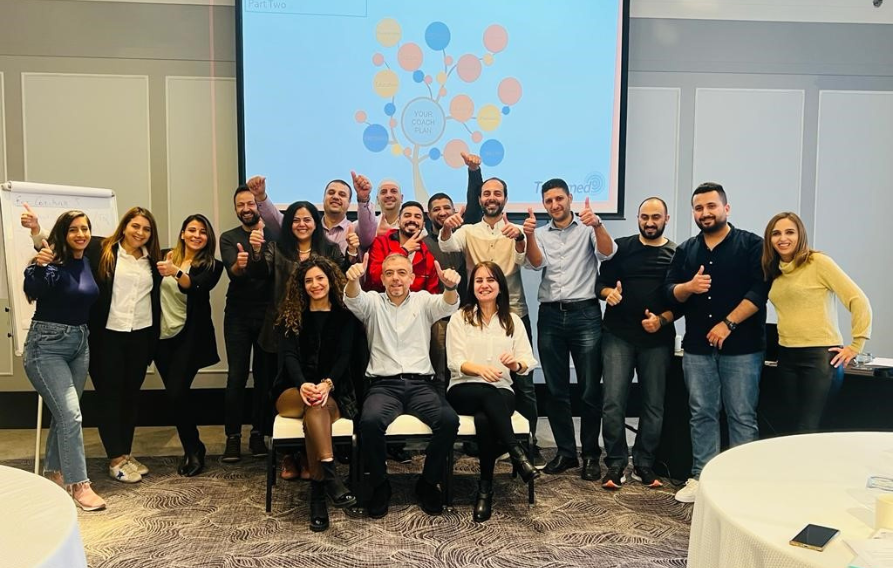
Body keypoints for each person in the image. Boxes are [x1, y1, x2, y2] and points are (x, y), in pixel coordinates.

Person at [24, 205, 163, 484]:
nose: (140, 232)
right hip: (107, 336)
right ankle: (115, 459)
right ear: (124, 226)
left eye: (146, 229)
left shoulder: (153, 261)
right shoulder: (101, 248)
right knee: (110, 397)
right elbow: (62, 242)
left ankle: (126, 453)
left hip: (140, 335)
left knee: (130, 397)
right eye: (135, 226)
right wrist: (37, 232)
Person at [664, 182, 768, 503]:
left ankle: (743, 482)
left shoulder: (752, 245)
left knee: (741, 415)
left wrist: (728, 324)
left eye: (711, 206)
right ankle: (702, 478)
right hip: (697, 347)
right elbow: (669, 291)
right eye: (699, 208)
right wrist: (688, 287)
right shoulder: (686, 250)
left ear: (726, 208)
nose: (705, 213)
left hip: (742, 347)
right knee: (702, 413)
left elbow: (760, 291)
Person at [344, 253, 461, 518]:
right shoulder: (373, 302)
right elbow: (353, 298)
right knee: (369, 422)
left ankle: (427, 482)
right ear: (381, 278)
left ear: (411, 277)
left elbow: (448, 305)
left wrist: (450, 287)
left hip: (421, 386)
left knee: (449, 421)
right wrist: (353, 280)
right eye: (389, 273)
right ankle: (380, 485)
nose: (395, 278)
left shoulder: (423, 301)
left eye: (401, 273)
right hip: (383, 386)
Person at [439, 174, 544, 467]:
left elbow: (528, 262)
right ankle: (497, 443)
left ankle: (529, 443)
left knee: (524, 386)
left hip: (513, 312)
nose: (491, 198)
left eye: (497, 193)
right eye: (486, 193)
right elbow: (447, 245)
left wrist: (521, 238)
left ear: (505, 199)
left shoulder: (516, 230)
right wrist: (447, 228)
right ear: (480, 199)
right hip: (476, 313)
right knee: (480, 378)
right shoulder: (469, 231)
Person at [247, 200, 352, 479]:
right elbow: (258, 275)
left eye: (307, 219)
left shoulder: (329, 250)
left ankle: (308, 458)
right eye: (295, 219)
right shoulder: (276, 248)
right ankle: (289, 456)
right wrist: (255, 252)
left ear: (316, 224)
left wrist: (353, 254)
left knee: (313, 398)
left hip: (318, 333)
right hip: (280, 330)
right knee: (282, 384)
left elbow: (342, 278)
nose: (301, 224)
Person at [523, 179, 617, 479]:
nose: (555, 205)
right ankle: (566, 453)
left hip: (585, 314)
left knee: (589, 389)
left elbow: (608, 253)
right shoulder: (540, 233)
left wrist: (598, 224)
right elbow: (536, 263)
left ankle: (590, 454)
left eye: (559, 199)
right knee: (555, 390)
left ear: (570, 198)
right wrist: (529, 236)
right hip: (550, 315)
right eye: (549, 201)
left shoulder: (588, 228)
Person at [22, 210, 105, 510]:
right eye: (73, 230)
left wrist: (37, 233)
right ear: (63, 234)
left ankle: (53, 473)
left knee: (64, 414)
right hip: (46, 346)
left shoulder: (86, 259)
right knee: (71, 415)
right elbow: (33, 289)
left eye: (85, 229)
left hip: (80, 343)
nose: (80, 234)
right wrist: (39, 263)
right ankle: (79, 484)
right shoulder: (50, 262)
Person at [446, 261, 540, 522]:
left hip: (501, 391)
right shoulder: (460, 318)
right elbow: (454, 361)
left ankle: (485, 489)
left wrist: (515, 365)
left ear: (500, 286)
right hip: (463, 389)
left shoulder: (513, 321)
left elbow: (527, 361)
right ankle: (516, 451)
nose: (484, 285)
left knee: (486, 418)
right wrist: (479, 370)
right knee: (488, 394)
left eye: (490, 280)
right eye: (479, 280)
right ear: (472, 286)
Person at [762, 212, 872, 434]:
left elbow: (859, 300)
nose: (783, 238)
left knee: (808, 428)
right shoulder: (775, 270)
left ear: (800, 235)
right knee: (788, 427)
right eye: (776, 233)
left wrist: (856, 345)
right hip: (787, 356)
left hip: (820, 358)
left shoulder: (818, 262)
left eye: (790, 232)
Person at [273, 257, 360, 532]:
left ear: (330, 280)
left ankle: (319, 494)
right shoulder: (292, 316)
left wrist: (327, 384)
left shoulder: (345, 316)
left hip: (329, 393)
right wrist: (302, 384)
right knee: (312, 404)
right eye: (308, 280)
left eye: (320, 278)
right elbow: (289, 357)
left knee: (316, 409)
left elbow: (345, 357)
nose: (315, 284)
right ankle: (331, 479)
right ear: (301, 285)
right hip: (292, 392)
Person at [596, 197, 678, 490]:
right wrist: (608, 293)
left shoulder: (676, 254)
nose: (650, 222)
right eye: (645, 217)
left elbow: (682, 301)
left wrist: (662, 320)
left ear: (666, 219)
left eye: (656, 217)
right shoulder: (621, 248)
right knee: (613, 402)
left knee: (654, 404)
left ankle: (644, 463)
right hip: (617, 335)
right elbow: (599, 283)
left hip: (658, 340)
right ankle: (616, 462)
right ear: (637, 218)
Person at [154, 214, 224, 477]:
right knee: (177, 396)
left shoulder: (212, 266)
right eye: (192, 230)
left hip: (190, 339)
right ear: (182, 233)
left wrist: (175, 271)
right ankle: (192, 446)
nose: (197, 235)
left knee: (176, 392)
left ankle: (194, 448)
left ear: (208, 238)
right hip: (161, 338)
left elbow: (195, 286)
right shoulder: (163, 256)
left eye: (203, 232)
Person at [219, 184, 278, 461]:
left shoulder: (274, 236)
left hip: (268, 315)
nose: (246, 209)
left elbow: (272, 273)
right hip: (238, 316)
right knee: (236, 376)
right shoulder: (229, 237)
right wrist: (240, 264)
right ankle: (232, 437)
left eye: (250, 204)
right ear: (235, 209)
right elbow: (234, 273)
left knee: (264, 378)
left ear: (259, 206)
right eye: (240, 205)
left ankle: (258, 434)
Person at [247, 173, 377, 253]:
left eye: (342, 195)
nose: (336, 197)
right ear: (323, 198)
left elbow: (368, 234)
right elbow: (277, 221)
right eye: (331, 193)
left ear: (349, 203)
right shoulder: (307, 227)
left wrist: (363, 199)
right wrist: (260, 197)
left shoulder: (354, 230)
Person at [365, 201, 439, 294]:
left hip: (413, 303)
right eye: (407, 215)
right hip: (380, 301)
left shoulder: (428, 256)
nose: (412, 219)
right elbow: (376, 278)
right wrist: (404, 251)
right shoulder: (380, 243)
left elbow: (432, 295)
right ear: (398, 222)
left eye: (417, 216)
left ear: (423, 225)